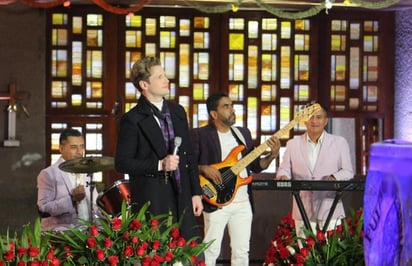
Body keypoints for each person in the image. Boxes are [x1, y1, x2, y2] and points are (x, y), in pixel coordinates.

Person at [114, 57, 203, 240]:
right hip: (154, 198)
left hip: (183, 195)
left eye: (165, 75)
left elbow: (189, 156)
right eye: (160, 77)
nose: (166, 80)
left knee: (190, 254)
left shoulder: (177, 111)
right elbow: (122, 163)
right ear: (144, 84)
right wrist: (159, 164)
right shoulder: (132, 119)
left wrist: (196, 193)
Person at [190, 92, 281, 266]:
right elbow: (187, 165)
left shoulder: (243, 134)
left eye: (232, 105)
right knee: (210, 251)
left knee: (241, 252)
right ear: (214, 114)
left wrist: (272, 155)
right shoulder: (200, 134)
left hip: (243, 203)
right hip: (216, 201)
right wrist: (204, 168)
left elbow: (255, 165)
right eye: (226, 106)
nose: (232, 110)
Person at [275, 103, 354, 237]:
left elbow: (348, 171)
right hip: (302, 207)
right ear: (304, 120)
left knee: (331, 254)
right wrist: (283, 175)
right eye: (311, 117)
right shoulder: (293, 144)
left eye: (319, 117)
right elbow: (284, 169)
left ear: (326, 120)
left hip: (330, 206)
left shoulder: (339, 142)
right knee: (305, 254)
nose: (314, 121)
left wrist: (334, 177)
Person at [37, 128, 98, 231]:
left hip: (88, 231)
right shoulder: (49, 174)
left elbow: (96, 205)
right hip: (63, 233)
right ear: (61, 148)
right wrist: (72, 199)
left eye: (82, 147)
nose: (79, 152)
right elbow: (44, 209)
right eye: (74, 147)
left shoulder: (87, 172)